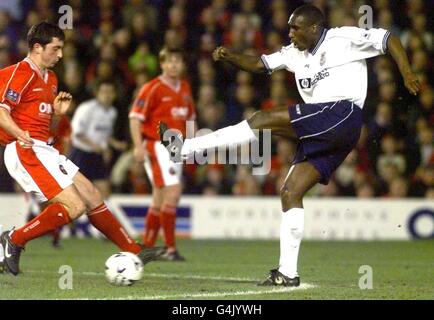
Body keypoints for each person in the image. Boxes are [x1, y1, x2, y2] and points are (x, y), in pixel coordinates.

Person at [159, 4, 420, 285]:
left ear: (314, 28)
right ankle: (288, 273)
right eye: (289, 27)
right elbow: (261, 64)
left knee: (261, 118)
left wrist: (406, 72)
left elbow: (388, 39)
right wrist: (229, 55)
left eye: (295, 27)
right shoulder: (293, 54)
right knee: (290, 192)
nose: (290, 32)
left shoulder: (343, 38)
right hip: (324, 129)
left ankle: (184, 149)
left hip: (341, 114)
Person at [0, 22, 162, 276]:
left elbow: (48, 130)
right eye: (56, 48)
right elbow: (1, 112)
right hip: (23, 149)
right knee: (74, 207)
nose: (60, 55)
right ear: (37, 47)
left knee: (92, 196)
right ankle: (16, 238)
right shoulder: (17, 73)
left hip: (44, 149)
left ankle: (132, 249)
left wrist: (56, 115)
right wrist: (20, 133)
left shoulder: (50, 78)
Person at [129, 47, 196, 261]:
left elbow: (191, 119)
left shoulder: (185, 88)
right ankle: (170, 248)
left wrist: (193, 144)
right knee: (173, 192)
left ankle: (147, 247)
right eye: (169, 61)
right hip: (158, 145)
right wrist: (138, 146)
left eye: (178, 61)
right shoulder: (152, 88)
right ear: (162, 64)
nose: (174, 65)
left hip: (178, 147)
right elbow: (135, 117)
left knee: (159, 198)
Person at [69, 79, 127, 199]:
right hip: (81, 154)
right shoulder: (86, 108)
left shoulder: (112, 112)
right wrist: (96, 146)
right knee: (76, 192)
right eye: (104, 92)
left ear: (114, 94)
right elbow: (77, 133)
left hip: (97, 156)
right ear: (97, 93)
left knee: (105, 192)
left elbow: (104, 135)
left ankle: (102, 217)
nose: (107, 95)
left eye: (110, 92)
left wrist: (115, 144)